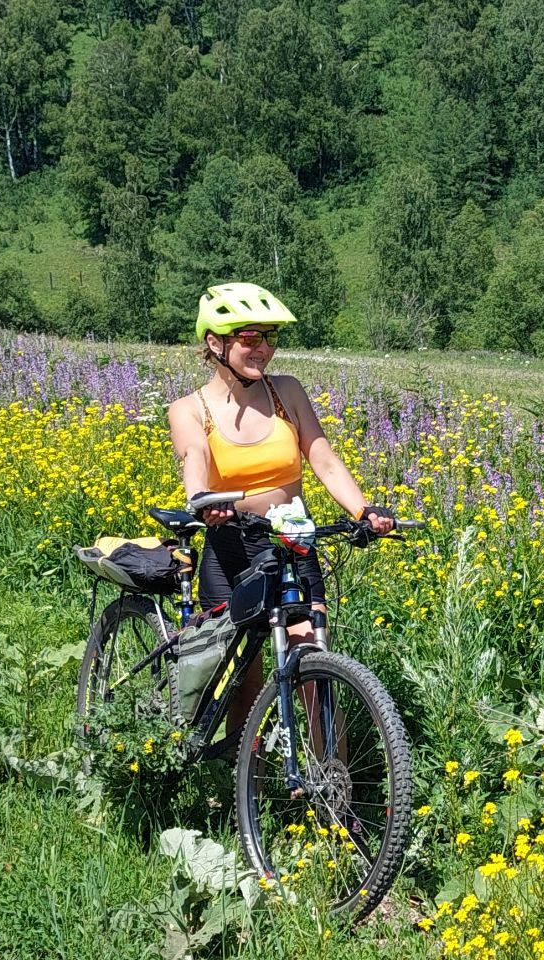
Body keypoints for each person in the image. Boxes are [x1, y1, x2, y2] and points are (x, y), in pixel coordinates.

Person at [167, 282, 393, 731]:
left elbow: (323, 458)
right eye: (249, 338)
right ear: (216, 343)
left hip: (293, 545)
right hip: (230, 550)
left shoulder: (286, 391)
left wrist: (362, 511)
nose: (263, 348)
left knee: (315, 671)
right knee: (244, 689)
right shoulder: (189, 409)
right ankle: (237, 788)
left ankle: (336, 789)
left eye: (270, 337)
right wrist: (201, 502)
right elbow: (195, 456)